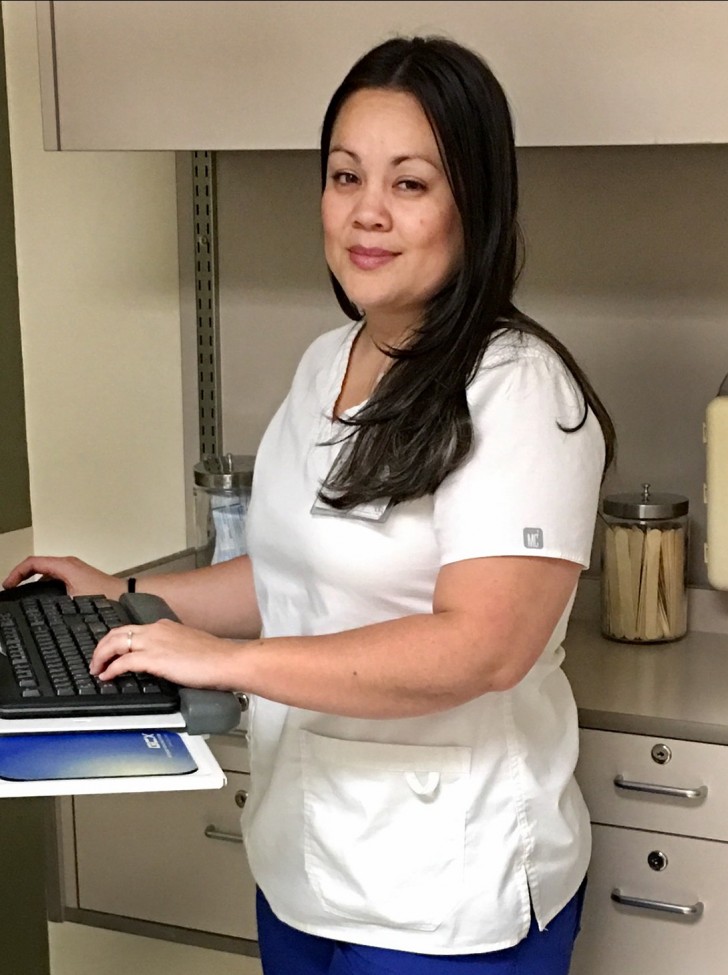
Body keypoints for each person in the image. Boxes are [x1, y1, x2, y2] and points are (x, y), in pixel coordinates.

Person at [4, 35, 615, 975]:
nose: (366, 213)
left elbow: (486, 645)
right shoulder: (330, 361)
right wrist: (122, 591)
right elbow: (291, 570)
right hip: (305, 868)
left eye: (410, 183)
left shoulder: (521, 391)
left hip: (447, 899)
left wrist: (228, 662)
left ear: (475, 203)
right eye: (343, 176)